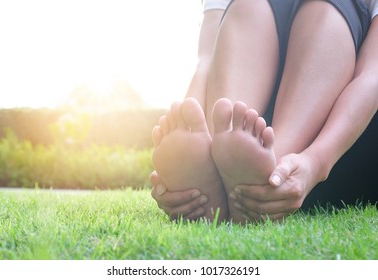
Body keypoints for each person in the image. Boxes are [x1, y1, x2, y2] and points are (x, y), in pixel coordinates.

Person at [150, 0, 378, 223]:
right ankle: (218, 161)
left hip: (339, 146)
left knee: (327, 7)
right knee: (248, 5)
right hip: (256, 128)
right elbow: (207, 61)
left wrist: (316, 163)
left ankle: (274, 167)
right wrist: (192, 136)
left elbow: (371, 77)